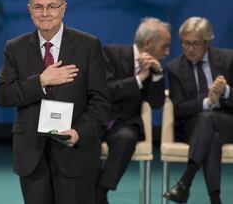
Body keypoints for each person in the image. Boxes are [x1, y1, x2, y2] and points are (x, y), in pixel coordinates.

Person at [0, 0, 110, 204]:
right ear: (29, 10)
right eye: (38, 7)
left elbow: (101, 101)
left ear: (64, 8)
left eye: (52, 6)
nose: (45, 13)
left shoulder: (88, 45)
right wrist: (40, 81)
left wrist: (79, 132)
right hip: (32, 154)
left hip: (74, 152)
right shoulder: (15, 47)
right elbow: (2, 95)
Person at [96, 18, 171, 203]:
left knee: (126, 139)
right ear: (148, 44)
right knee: (85, 137)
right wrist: (138, 80)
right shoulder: (111, 53)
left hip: (126, 123)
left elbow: (156, 103)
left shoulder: (157, 68)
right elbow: (106, 90)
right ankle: (91, 189)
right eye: (164, 46)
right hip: (99, 118)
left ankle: (100, 192)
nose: (167, 52)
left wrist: (157, 75)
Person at [163, 17, 233, 204]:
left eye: (196, 44)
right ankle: (215, 199)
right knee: (211, 133)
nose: (190, 49)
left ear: (207, 42)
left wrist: (225, 91)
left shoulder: (228, 59)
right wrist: (207, 101)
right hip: (193, 127)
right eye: (186, 43)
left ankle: (185, 182)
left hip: (228, 122)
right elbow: (178, 109)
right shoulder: (174, 68)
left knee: (209, 120)